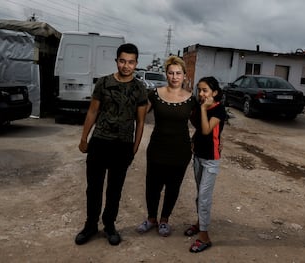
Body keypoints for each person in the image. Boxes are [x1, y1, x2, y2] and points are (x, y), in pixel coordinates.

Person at [75, 43, 148, 246]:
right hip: (100, 142)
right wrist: (84, 138)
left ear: (136, 64)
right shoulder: (104, 83)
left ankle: (109, 225)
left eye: (131, 62)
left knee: (115, 189)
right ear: (116, 61)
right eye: (123, 61)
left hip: (123, 145)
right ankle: (90, 225)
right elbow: (92, 111)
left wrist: (134, 147)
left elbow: (140, 121)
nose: (126, 66)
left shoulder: (140, 89)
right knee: (94, 188)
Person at [136, 56, 196, 237]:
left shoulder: (192, 99)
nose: (175, 76)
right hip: (157, 148)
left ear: (185, 76)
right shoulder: (155, 94)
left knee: (173, 186)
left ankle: (164, 220)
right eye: (171, 73)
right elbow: (139, 115)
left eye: (178, 73)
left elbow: (202, 123)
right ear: (166, 75)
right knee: (152, 185)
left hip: (181, 151)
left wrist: (198, 141)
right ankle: (151, 218)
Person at [185, 76, 227, 253]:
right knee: (199, 194)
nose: (201, 94)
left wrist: (203, 108)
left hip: (211, 158)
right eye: (199, 90)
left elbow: (206, 129)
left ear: (214, 93)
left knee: (204, 196)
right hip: (198, 156)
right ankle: (199, 222)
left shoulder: (219, 110)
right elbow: (197, 130)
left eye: (205, 91)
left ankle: (204, 237)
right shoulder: (198, 105)